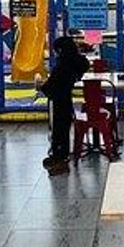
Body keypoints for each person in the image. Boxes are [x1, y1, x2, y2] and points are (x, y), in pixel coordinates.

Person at [39, 36, 90, 176]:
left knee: (58, 129)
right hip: (66, 99)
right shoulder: (77, 62)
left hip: (58, 100)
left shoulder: (63, 64)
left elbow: (52, 85)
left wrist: (41, 86)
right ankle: (62, 154)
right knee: (64, 126)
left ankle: (59, 157)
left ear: (60, 50)